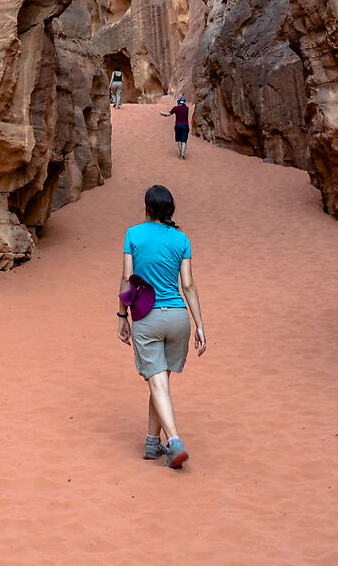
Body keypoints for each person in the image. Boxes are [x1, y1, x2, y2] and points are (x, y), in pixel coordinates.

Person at [122, 183, 206, 468]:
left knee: (158, 383)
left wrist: (122, 315)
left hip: (147, 318)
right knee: (161, 382)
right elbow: (189, 285)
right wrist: (200, 325)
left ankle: (174, 441)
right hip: (178, 319)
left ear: (147, 208)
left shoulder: (133, 235)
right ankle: (151, 442)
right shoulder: (181, 239)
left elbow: (126, 279)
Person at [170, 93, 193, 158]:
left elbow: (169, 114)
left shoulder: (175, 108)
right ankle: (182, 155)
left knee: (179, 140)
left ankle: (180, 154)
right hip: (185, 126)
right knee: (184, 141)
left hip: (178, 126)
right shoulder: (186, 108)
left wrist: (163, 114)